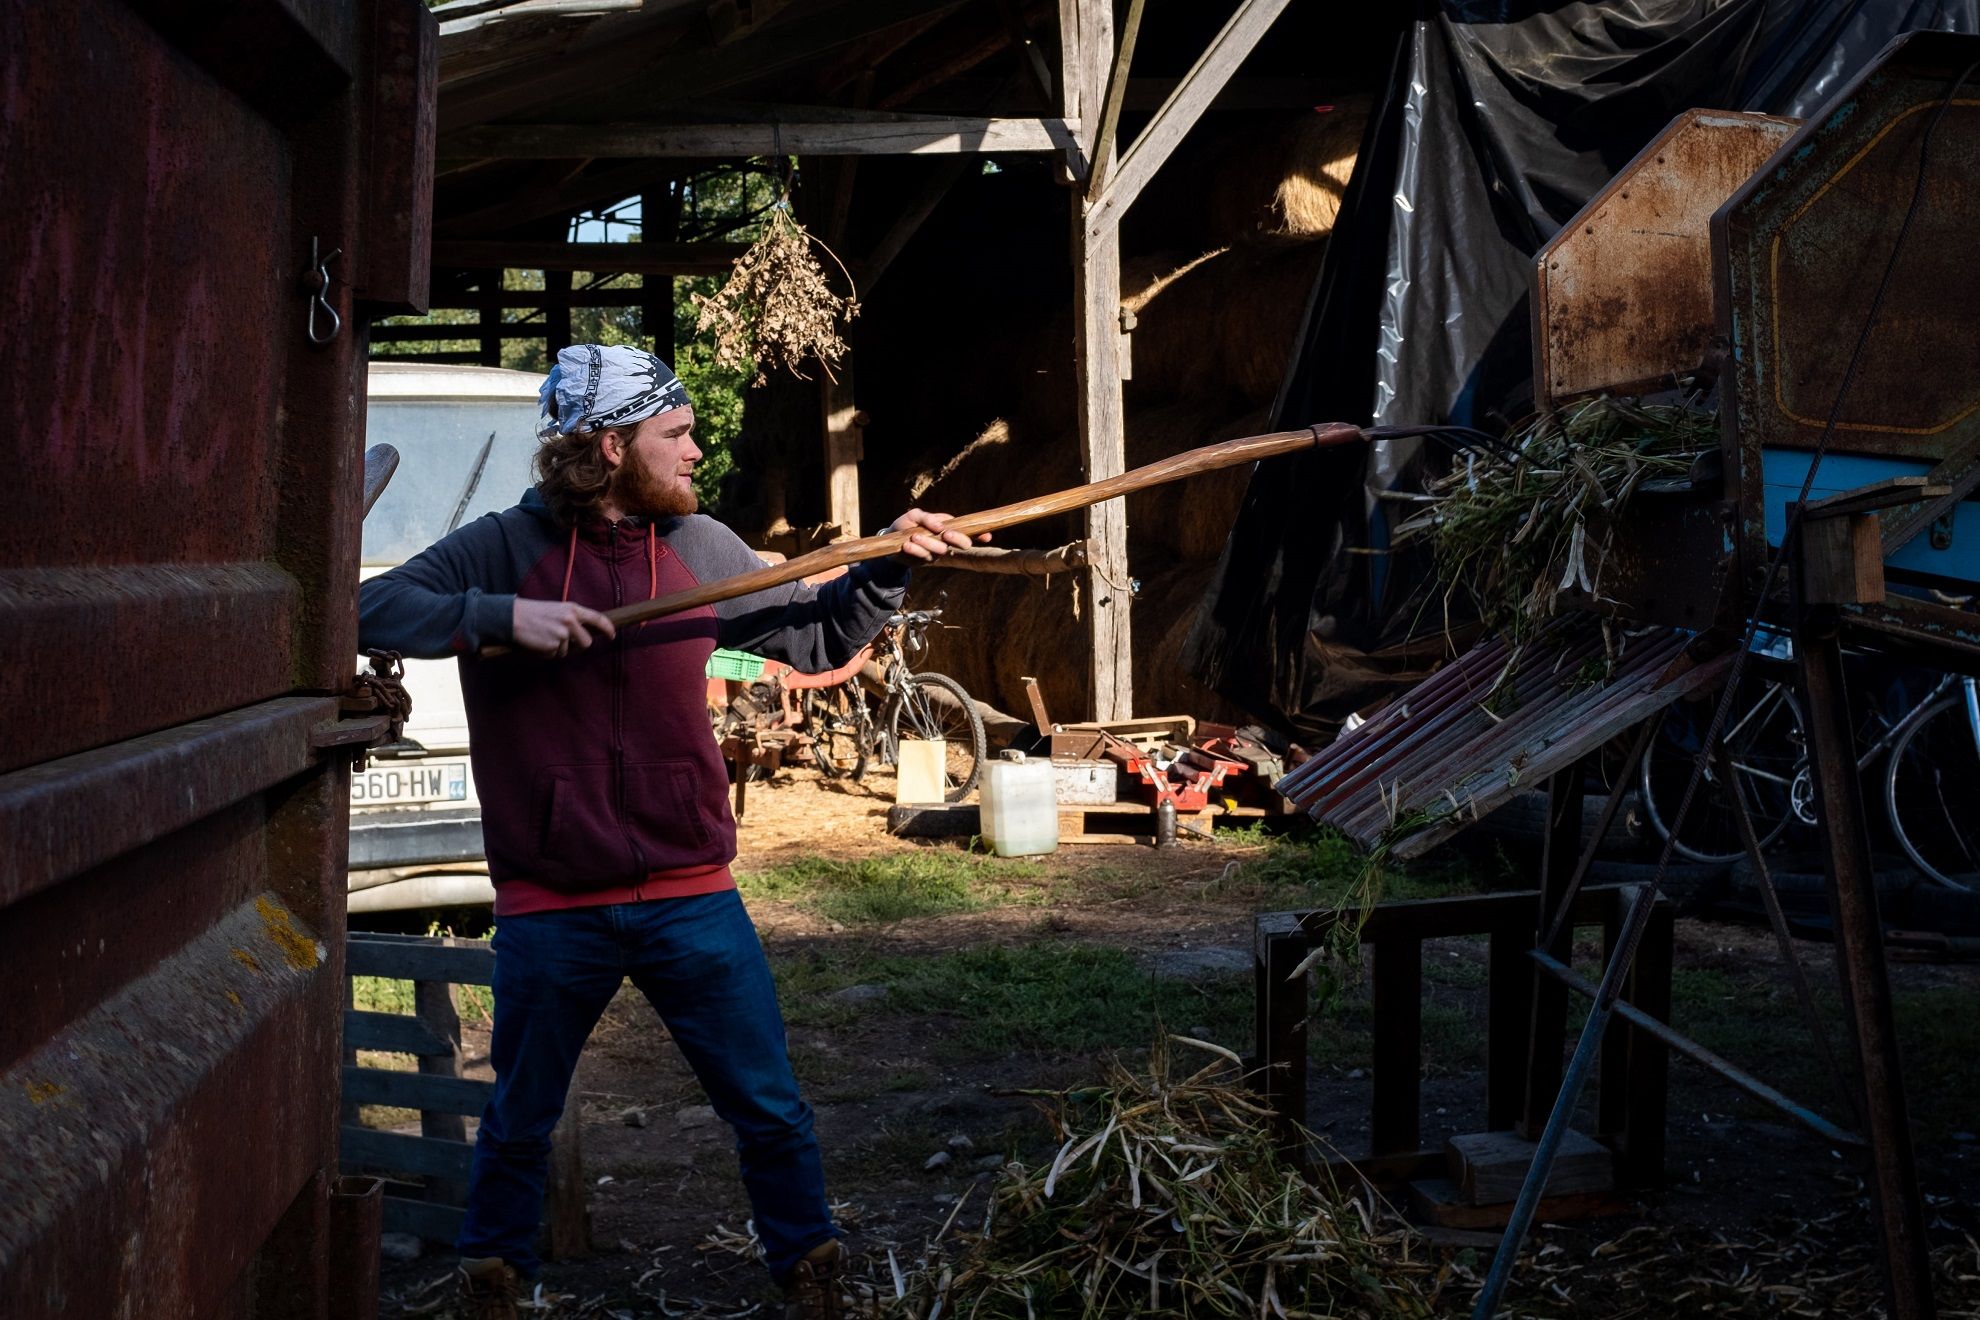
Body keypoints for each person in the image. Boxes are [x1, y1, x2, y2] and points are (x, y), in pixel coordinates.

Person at [358, 345, 977, 1320]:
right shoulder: (499, 549)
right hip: (552, 905)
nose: (694, 449)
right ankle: (492, 1289)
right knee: (518, 1123)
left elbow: (814, 634)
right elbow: (368, 608)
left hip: (692, 897)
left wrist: (889, 566)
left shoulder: (701, 545)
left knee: (771, 1112)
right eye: (675, 433)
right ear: (608, 448)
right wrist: (497, 617)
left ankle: (813, 1284)